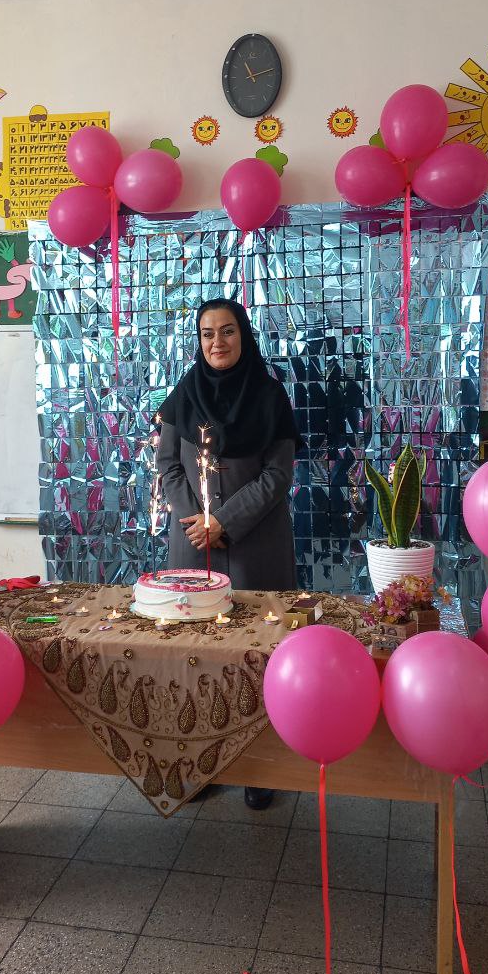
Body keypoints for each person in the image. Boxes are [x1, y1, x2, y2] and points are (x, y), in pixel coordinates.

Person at [158, 298, 302, 810]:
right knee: (195, 657)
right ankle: (202, 764)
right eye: (207, 333)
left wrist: (225, 521)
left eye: (227, 331)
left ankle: (260, 768)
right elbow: (168, 467)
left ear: (244, 335)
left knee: (257, 656)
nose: (216, 342)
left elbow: (278, 475)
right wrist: (199, 521)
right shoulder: (182, 395)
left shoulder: (270, 396)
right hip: (192, 548)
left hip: (254, 547)